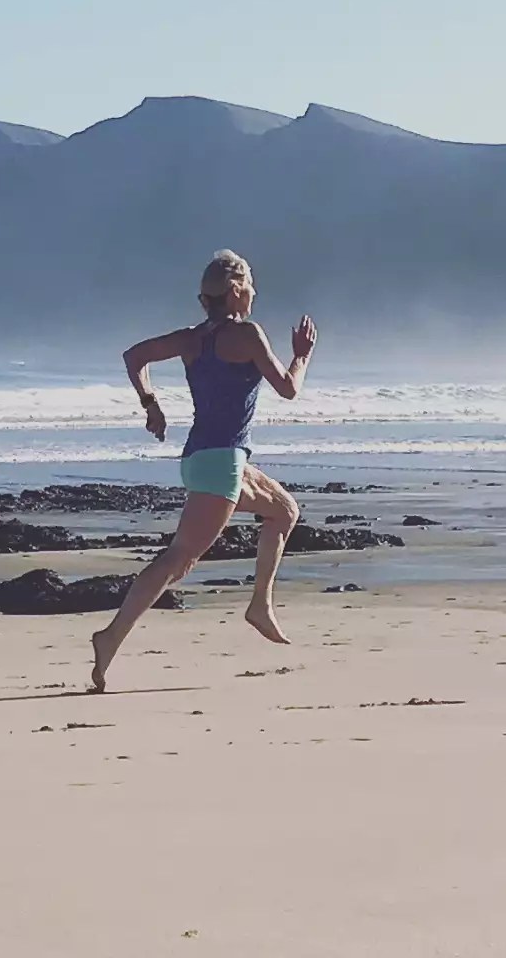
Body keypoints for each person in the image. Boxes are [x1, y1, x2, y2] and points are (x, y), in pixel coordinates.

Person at [91, 249, 317, 691]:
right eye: (250, 284)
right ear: (235, 291)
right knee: (178, 560)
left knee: (284, 511)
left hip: (203, 459)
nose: (253, 292)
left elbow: (133, 356)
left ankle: (260, 605)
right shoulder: (249, 335)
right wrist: (302, 355)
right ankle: (110, 638)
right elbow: (289, 389)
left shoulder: (191, 339)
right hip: (221, 464)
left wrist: (151, 405)